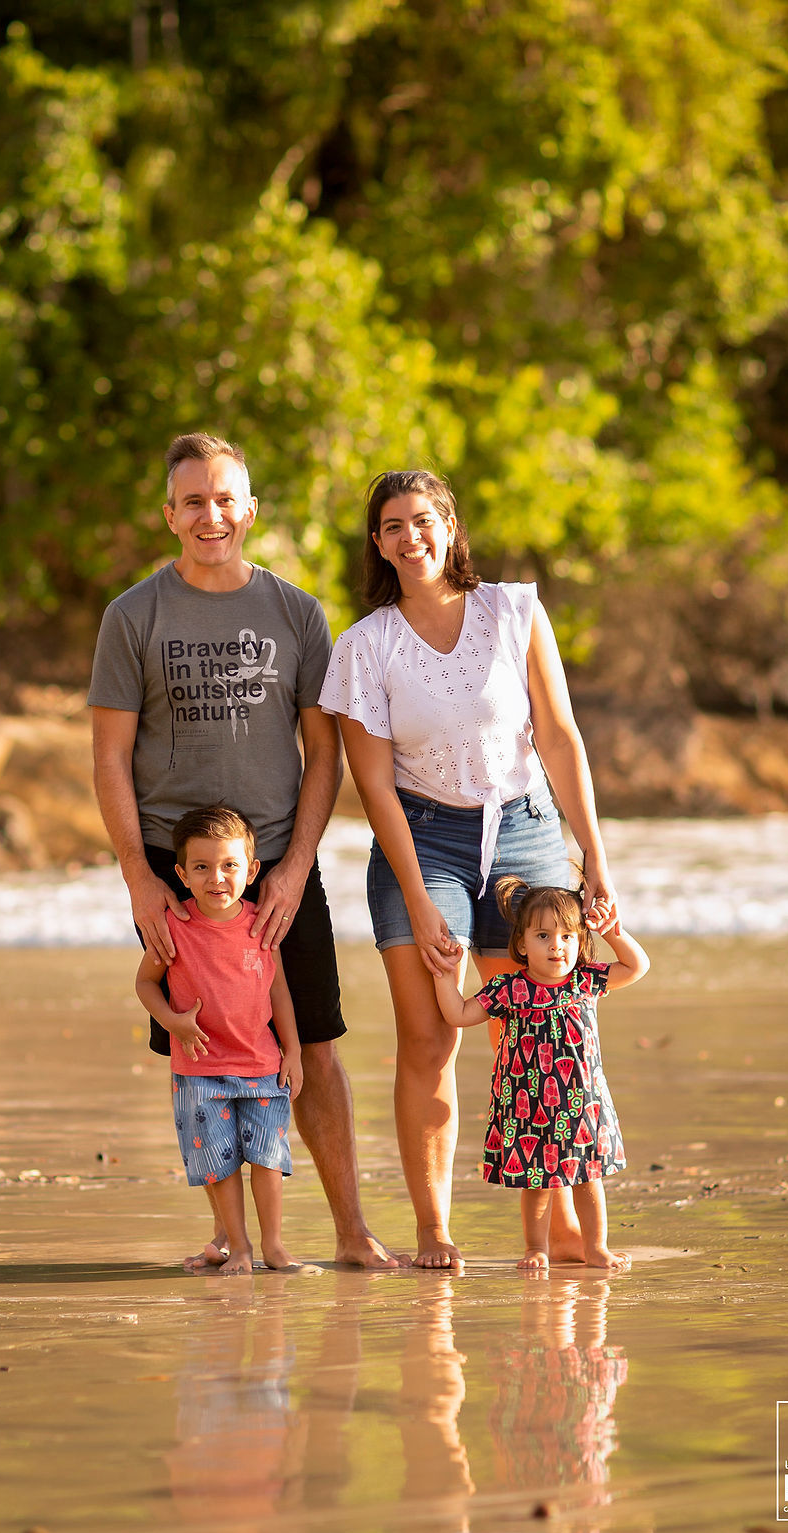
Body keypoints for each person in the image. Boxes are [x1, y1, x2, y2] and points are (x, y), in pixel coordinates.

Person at [89, 431, 396, 1270]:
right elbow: (109, 757)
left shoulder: (297, 613)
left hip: (271, 865)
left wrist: (294, 868)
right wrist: (138, 880)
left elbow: (324, 754)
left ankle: (349, 1232)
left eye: (225, 499)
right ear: (169, 515)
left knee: (316, 1046)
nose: (210, 515)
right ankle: (228, 1235)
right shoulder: (133, 617)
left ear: (250, 510)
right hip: (175, 869)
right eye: (193, 501)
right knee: (199, 1042)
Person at [319, 468, 619, 1270]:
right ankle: (434, 1229)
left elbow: (559, 739)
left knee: (543, 1027)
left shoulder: (513, 610)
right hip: (422, 844)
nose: (408, 537)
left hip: (525, 831)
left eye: (422, 520)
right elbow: (372, 784)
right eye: (391, 526)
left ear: (449, 526)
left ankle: (559, 1229)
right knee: (427, 1040)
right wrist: (418, 898)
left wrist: (593, 856)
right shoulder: (363, 647)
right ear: (376, 544)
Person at [434, 878, 649, 1273]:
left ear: (581, 940)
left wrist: (613, 932)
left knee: (587, 1178)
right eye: (544, 935)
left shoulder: (584, 981)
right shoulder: (509, 988)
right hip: (526, 1104)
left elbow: (637, 966)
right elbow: (459, 1015)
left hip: (582, 1103)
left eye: (568, 935)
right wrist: (445, 976)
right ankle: (537, 1247)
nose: (557, 946)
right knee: (536, 1184)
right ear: (521, 944)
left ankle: (597, 1247)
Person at [136, 805, 305, 1274]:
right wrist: (172, 1020)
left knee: (270, 1159)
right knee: (221, 1164)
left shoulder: (261, 924)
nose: (217, 878)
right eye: (202, 867)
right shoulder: (173, 926)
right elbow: (145, 983)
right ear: (181, 874)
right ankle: (241, 1248)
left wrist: (292, 1052)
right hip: (200, 1069)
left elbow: (280, 992)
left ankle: (274, 1245)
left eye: (230, 865)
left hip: (261, 1065)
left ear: (251, 871)